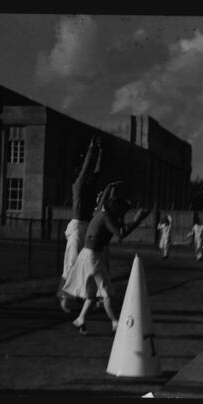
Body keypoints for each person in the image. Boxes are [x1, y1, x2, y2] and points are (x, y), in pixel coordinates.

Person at [61, 182, 151, 335]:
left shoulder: (100, 212)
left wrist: (110, 187)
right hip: (92, 256)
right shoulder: (106, 218)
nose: (123, 214)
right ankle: (115, 323)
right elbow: (120, 234)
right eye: (122, 211)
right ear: (116, 210)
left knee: (92, 292)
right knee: (106, 292)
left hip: (86, 255)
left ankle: (81, 318)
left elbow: (106, 202)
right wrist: (137, 220)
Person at [58, 137, 103, 310]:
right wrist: (92, 149)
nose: (90, 177)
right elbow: (87, 170)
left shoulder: (89, 187)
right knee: (71, 264)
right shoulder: (78, 185)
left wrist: (101, 153)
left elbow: (97, 172)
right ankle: (65, 297)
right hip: (78, 227)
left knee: (84, 263)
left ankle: (78, 295)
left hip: (87, 226)